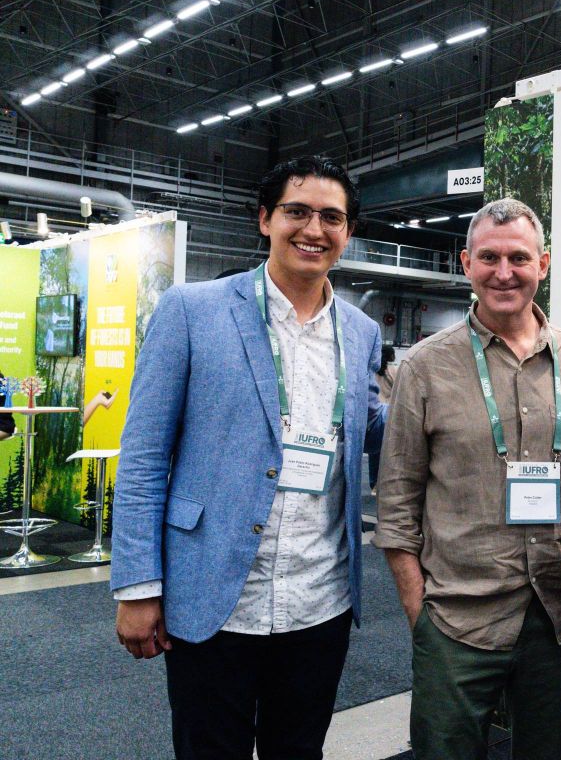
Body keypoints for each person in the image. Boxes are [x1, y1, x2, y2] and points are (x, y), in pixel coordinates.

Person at [110, 155, 388, 760]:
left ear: (348, 232)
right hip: (213, 591)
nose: (314, 229)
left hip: (321, 599)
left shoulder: (362, 331)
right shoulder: (192, 310)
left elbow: (371, 426)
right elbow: (143, 458)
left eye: (331, 218)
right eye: (297, 212)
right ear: (265, 220)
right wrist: (136, 586)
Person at [374, 198, 561, 760]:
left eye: (519, 258)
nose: (505, 273)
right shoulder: (424, 367)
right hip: (457, 615)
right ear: (466, 262)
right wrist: (418, 611)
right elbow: (398, 498)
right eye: (490, 258)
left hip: (557, 613)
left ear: (542, 265)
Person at [367, 345, 397, 491]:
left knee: (375, 454)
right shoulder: (394, 371)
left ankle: (374, 485)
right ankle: (387, 486)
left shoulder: (373, 370)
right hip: (389, 415)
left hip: (373, 413)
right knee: (390, 454)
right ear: (391, 356)